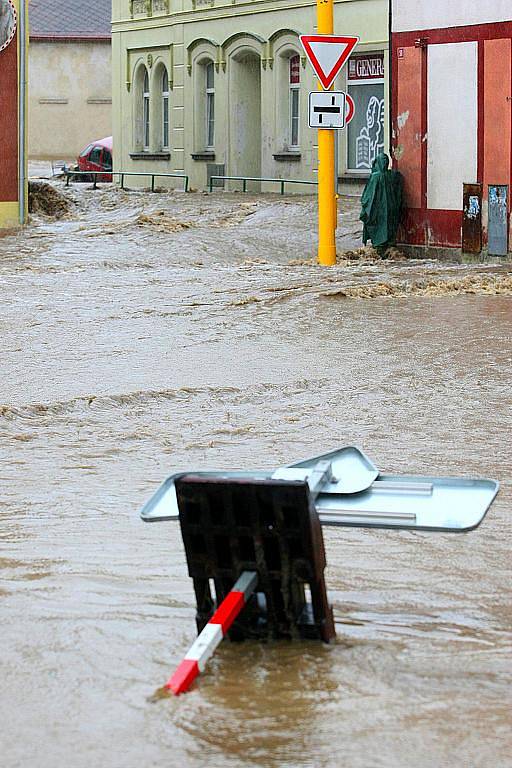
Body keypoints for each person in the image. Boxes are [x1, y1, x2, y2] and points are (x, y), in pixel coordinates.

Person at [359, 153, 403, 255]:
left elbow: (368, 197)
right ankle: (389, 248)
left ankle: (379, 249)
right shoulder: (393, 175)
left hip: (378, 210)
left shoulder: (375, 177)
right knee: (389, 227)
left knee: (378, 227)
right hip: (392, 209)